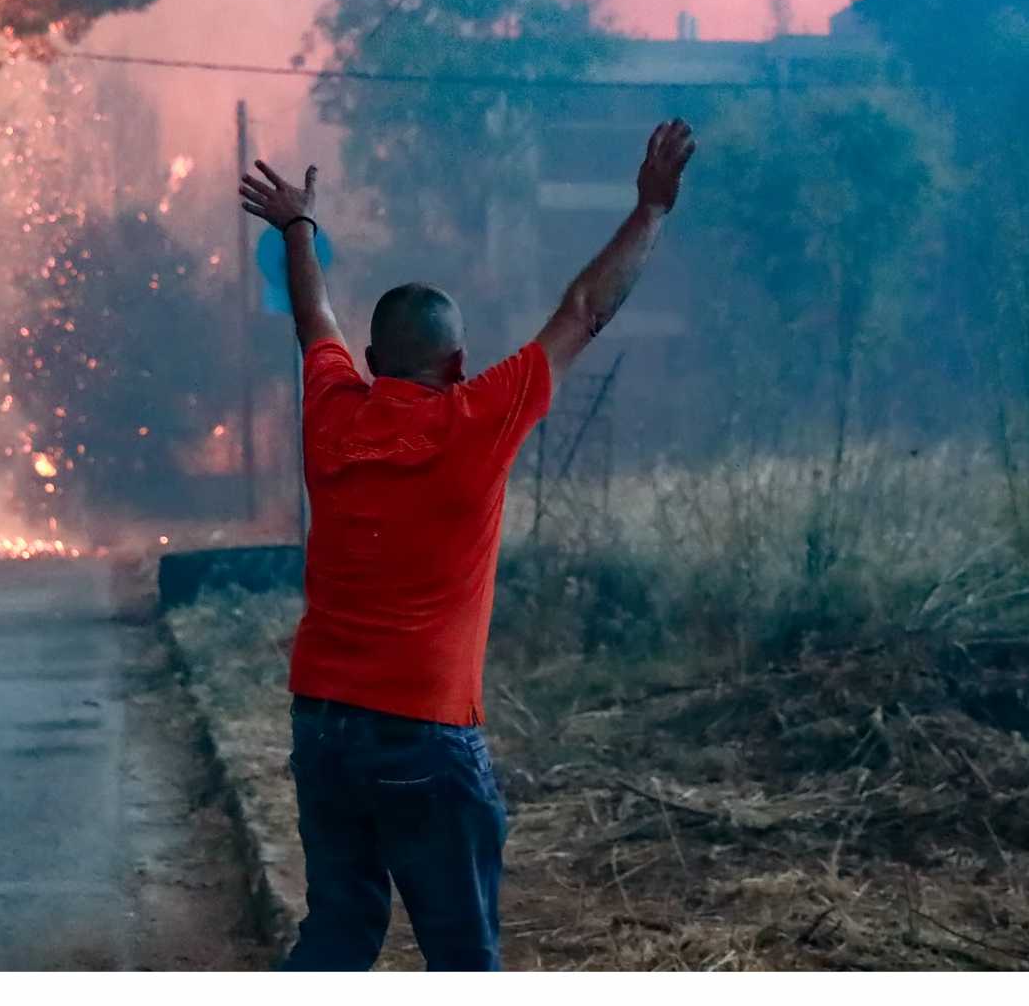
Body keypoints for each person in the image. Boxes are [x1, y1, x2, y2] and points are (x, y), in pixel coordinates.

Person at [238, 118, 698, 971]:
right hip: (423, 733)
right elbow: (585, 310)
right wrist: (650, 209)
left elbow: (314, 317)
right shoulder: (473, 420)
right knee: (462, 955)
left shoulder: (333, 408)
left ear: (373, 359)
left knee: (339, 928)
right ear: (457, 365)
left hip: (323, 724)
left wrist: (297, 225)